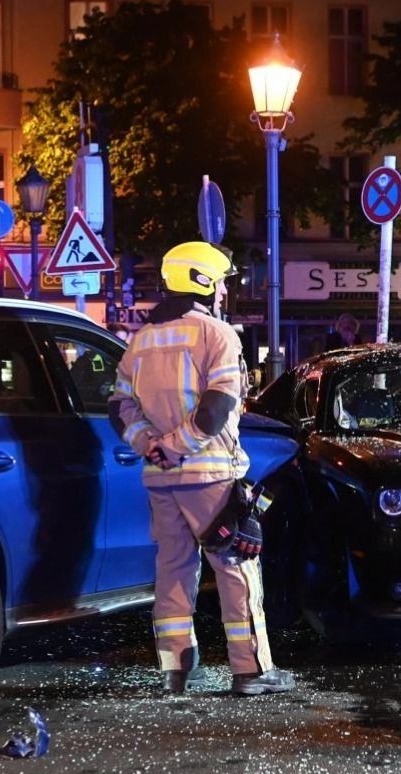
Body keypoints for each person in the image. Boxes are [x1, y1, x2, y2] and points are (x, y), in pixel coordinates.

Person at [110, 240, 294, 698]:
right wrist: (174, 448)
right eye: (222, 282)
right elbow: (216, 410)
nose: (225, 292)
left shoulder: (141, 341)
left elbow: (118, 408)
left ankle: (177, 671)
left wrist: (151, 447)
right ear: (203, 282)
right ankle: (251, 671)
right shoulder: (217, 335)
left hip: (161, 480)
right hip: (209, 476)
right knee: (236, 568)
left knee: (172, 571)